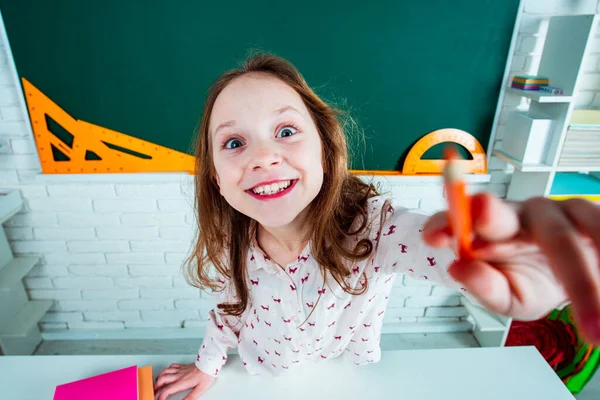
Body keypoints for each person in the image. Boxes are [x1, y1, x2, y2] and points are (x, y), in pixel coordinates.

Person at [154, 53, 600, 400]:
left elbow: (433, 247)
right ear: (215, 175)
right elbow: (228, 310)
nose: (263, 156)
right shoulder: (232, 240)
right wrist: (209, 365)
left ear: (326, 150)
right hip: (260, 373)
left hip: (344, 371)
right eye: (234, 142)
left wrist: (521, 259)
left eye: (286, 131)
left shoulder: (372, 227)